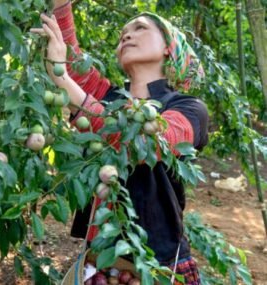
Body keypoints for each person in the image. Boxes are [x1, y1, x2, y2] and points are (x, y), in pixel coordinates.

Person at [31, 1, 208, 284]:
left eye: (140, 28)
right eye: (123, 32)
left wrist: (63, 81)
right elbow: (71, 61)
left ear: (168, 47)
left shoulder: (188, 108)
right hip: (99, 260)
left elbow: (145, 145)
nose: (127, 35)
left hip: (157, 264)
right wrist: (60, 5)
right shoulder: (109, 98)